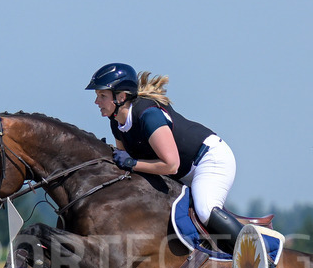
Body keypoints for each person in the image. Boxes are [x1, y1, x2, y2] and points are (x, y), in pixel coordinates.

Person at [85, 62, 242, 255]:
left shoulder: (149, 116)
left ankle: (259, 256)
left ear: (121, 97)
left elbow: (171, 164)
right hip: (183, 172)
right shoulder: (117, 123)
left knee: (205, 210)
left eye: (102, 96)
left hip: (209, 160)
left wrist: (132, 163)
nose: (96, 102)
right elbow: (128, 164)